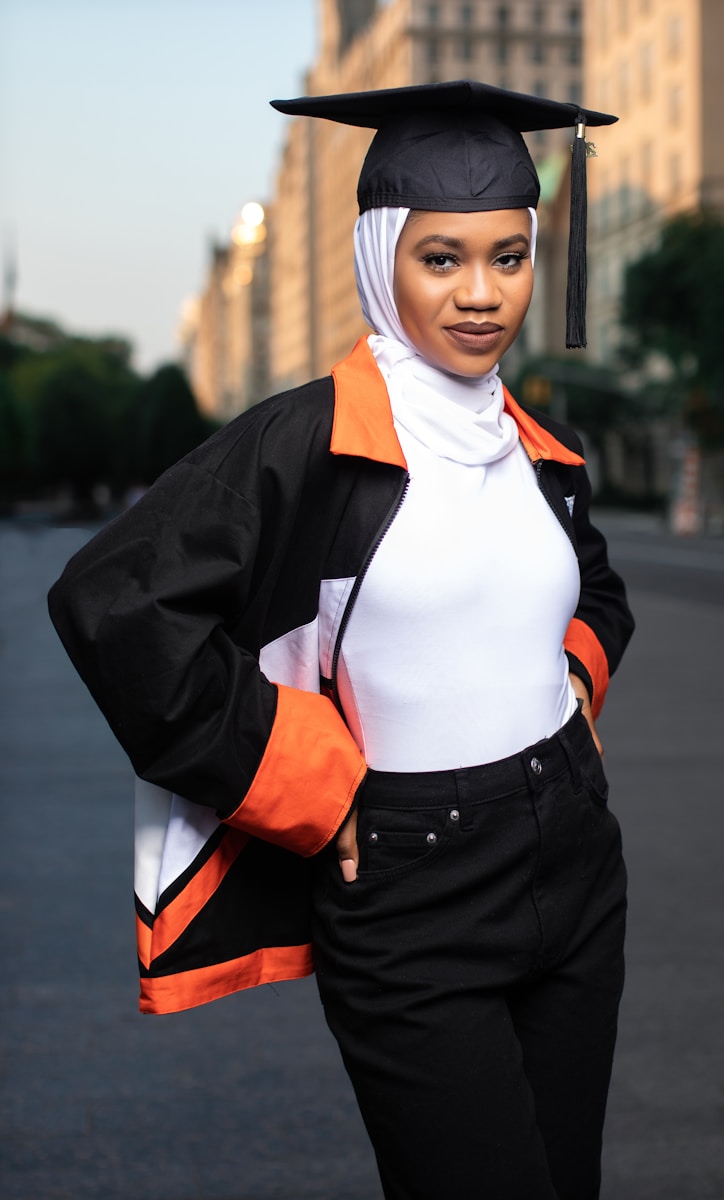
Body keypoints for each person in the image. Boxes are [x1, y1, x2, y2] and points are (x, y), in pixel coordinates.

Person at [49, 81, 633, 1200]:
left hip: (574, 864)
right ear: (379, 258)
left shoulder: (538, 450)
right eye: (441, 258)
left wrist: (569, 682)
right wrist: (310, 781)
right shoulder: (307, 441)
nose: (481, 295)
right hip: (412, 892)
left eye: (508, 258)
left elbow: (592, 587)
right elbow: (115, 601)